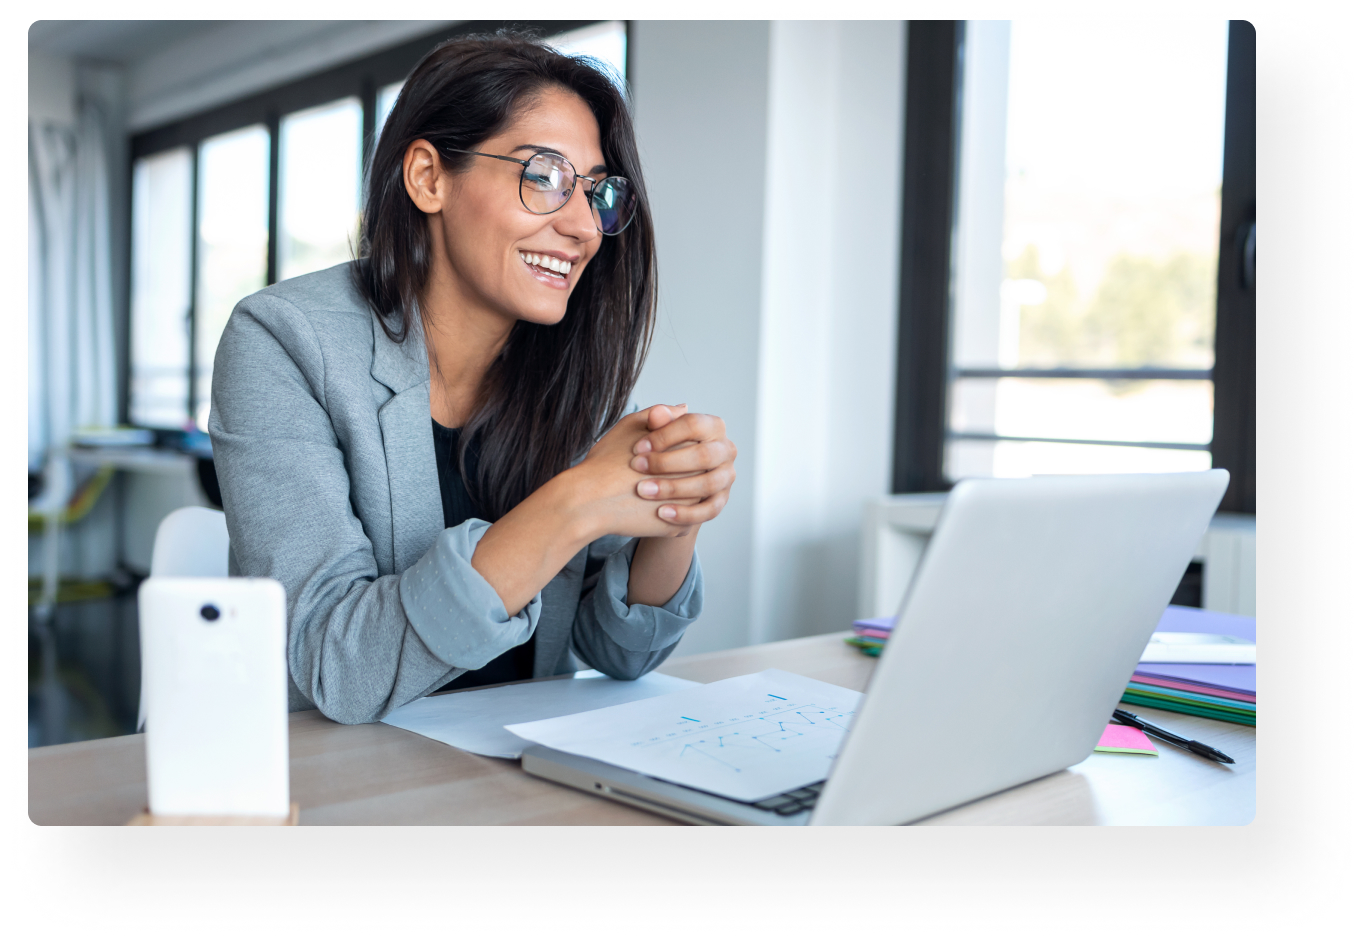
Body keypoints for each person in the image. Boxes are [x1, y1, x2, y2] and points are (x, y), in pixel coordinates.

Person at [208, 34, 737, 725]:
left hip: (505, 781)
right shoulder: (282, 340)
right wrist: (576, 502)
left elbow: (618, 653)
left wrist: (674, 505)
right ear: (429, 177)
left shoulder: (572, 372)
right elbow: (336, 668)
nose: (584, 227)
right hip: (332, 785)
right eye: (543, 175)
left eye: (598, 192)